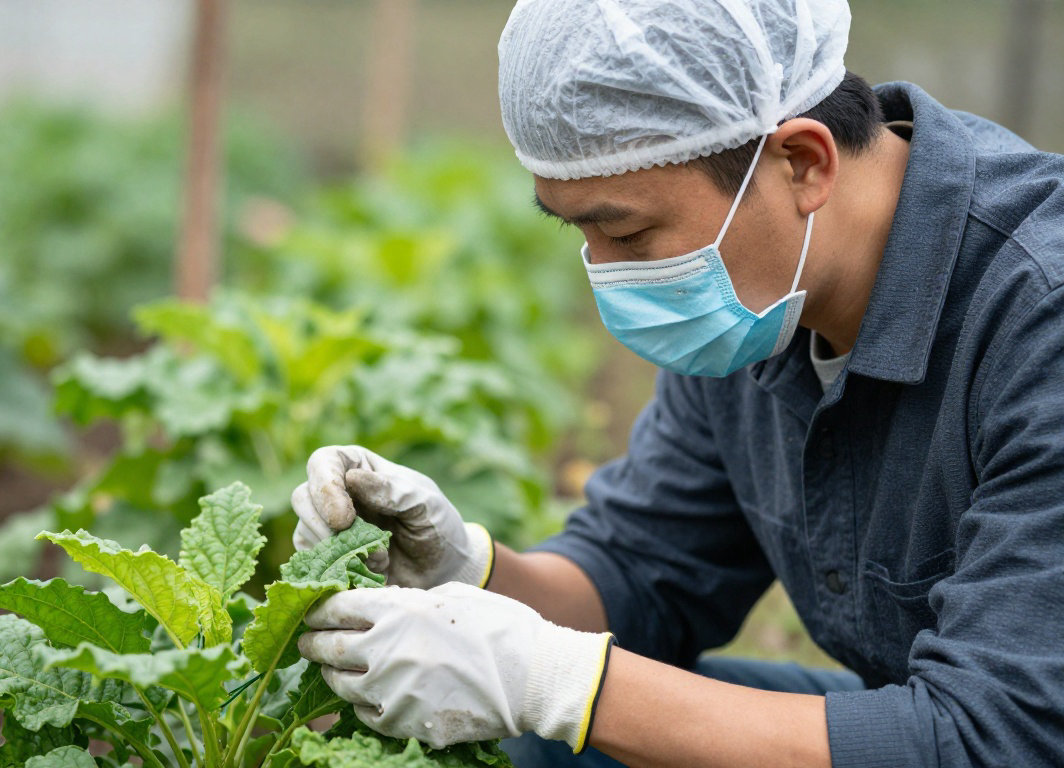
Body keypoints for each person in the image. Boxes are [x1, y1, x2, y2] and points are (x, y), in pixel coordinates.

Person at [289, 0, 1064, 765]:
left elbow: (995, 738)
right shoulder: (769, 296)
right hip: (940, 720)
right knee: (540, 734)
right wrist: (469, 572)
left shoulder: (1040, 314)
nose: (607, 275)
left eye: (627, 233)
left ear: (804, 163)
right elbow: (642, 573)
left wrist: (554, 680)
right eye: (579, 233)